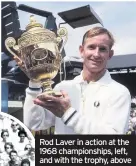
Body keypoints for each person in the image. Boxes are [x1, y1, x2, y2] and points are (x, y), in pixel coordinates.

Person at [22, 26, 131, 134]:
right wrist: (34, 81)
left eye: (102, 49)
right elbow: (34, 124)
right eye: (91, 47)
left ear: (110, 54)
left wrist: (68, 114)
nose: (96, 54)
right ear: (81, 50)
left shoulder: (119, 92)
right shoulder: (62, 88)